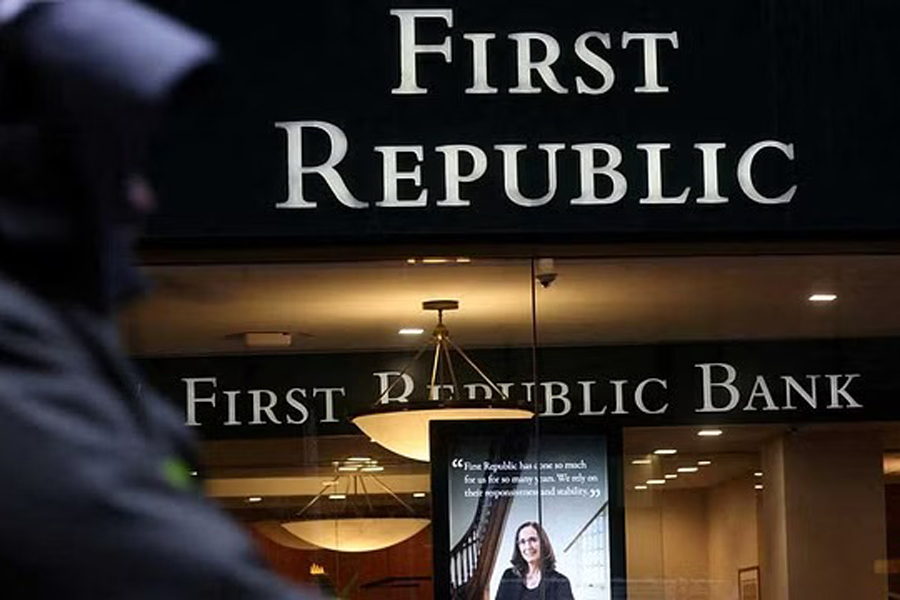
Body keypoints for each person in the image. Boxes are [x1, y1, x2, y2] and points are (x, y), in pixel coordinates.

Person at [0, 1, 321, 597]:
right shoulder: (14, 338)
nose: (142, 199)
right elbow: (151, 559)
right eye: (110, 165)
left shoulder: (53, 327)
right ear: (27, 162)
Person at [495, 521, 575, 600]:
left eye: (533, 540)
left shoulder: (559, 582)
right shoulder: (509, 576)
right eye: (522, 542)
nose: (528, 546)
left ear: (543, 543)